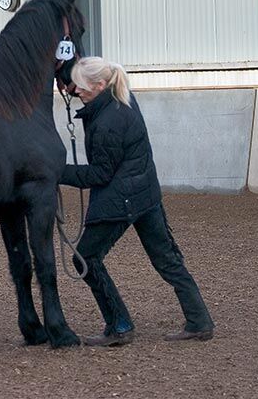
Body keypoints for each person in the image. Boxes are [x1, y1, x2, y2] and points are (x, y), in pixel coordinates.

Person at [60, 56, 214, 346]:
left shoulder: (107, 122)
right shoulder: (122, 98)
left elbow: (100, 174)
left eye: (81, 87)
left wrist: (57, 172)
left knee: (85, 259)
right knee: (167, 260)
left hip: (122, 197)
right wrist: (69, 82)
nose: (76, 91)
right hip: (145, 193)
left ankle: (119, 325)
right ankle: (199, 321)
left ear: (100, 85)